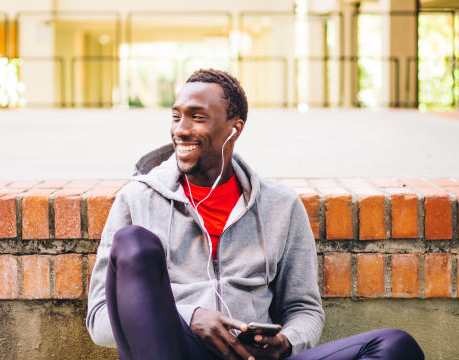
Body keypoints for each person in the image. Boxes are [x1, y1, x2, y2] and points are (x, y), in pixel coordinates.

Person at [86, 69, 424, 360]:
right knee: (133, 242)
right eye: (176, 116)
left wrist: (284, 342)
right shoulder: (138, 199)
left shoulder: (281, 205)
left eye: (197, 117)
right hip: (174, 348)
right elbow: (101, 319)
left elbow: (304, 310)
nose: (181, 129)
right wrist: (192, 317)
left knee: (394, 345)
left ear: (235, 128)